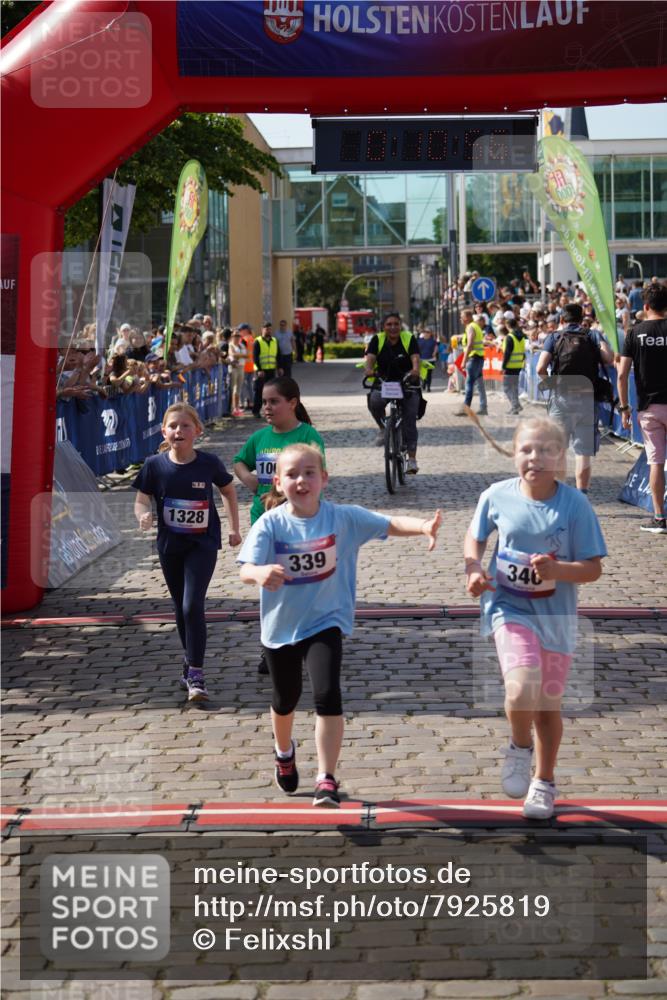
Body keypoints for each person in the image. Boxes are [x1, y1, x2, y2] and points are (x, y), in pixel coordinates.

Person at [238, 443, 442, 807]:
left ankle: (326, 778)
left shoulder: (343, 518)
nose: (301, 481)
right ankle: (284, 752)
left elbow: (388, 524)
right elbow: (245, 569)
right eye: (292, 475)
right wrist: (260, 573)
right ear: (279, 483)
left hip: (326, 622)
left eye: (309, 473)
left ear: (324, 479)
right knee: (285, 699)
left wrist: (424, 526)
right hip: (281, 628)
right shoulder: (271, 523)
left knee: (327, 695)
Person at [464, 416, 606, 819]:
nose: (535, 458)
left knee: (547, 708)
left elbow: (593, 568)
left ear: (561, 457)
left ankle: (544, 782)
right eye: (527, 449)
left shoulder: (575, 505)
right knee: (521, 686)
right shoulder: (496, 495)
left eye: (546, 450)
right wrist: (473, 568)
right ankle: (518, 746)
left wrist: (559, 570)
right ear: (514, 453)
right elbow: (475, 537)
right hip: (508, 608)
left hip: (556, 617)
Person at [133, 402, 241, 701]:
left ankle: (196, 672)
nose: (178, 431)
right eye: (173, 426)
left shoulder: (208, 463)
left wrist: (234, 527)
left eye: (185, 426)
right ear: (163, 431)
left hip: (202, 543)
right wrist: (143, 515)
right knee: (181, 607)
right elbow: (141, 499)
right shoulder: (154, 465)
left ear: (197, 431)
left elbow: (228, 490)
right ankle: (189, 659)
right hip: (170, 545)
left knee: (192, 605)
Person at [233, 377, 326, 675]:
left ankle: (305, 638)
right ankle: (271, 646)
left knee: (299, 583)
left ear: (292, 403)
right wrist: (248, 479)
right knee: (271, 585)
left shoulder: (308, 435)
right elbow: (239, 461)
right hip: (263, 520)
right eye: (264, 402)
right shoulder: (260, 438)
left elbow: (317, 477)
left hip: (298, 523)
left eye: (274, 401)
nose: (267, 407)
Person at [536, 302, 614, 494]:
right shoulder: (592, 335)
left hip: (561, 399)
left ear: (562, 319)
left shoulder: (554, 337)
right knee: (583, 453)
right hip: (586, 399)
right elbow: (609, 357)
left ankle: (555, 495)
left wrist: (552, 384)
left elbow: (540, 368)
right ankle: (582, 495)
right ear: (582, 319)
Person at [617, 281, 667, 534]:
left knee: (656, 463)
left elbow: (621, 374)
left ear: (645, 306)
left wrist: (624, 407)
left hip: (649, 407)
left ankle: (659, 518)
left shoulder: (635, 333)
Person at [364, 312, 421, 474]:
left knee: (410, 419)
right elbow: (370, 359)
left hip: (407, 381)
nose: (393, 327)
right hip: (385, 382)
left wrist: (415, 370)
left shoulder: (409, 338)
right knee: (374, 401)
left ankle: (412, 460)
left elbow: (415, 358)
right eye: (389, 324)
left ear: (400, 325)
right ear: (383, 327)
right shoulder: (377, 339)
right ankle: (383, 428)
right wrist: (368, 369)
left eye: (396, 324)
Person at [456, 308, 488, 416]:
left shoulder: (470, 327)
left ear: (467, 317)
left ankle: (466, 409)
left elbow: (470, 344)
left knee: (469, 384)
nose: (460, 319)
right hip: (479, 358)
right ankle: (483, 407)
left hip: (473, 358)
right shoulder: (475, 326)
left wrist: (463, 361)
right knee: (480, 385)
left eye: (462, 317)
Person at [252, 322, 280, 417]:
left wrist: (279, 367)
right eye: (266, 329)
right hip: (261, 371)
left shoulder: (274, 341)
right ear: (262, 330)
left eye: (270, 329)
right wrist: (259, 369)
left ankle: (270, 411)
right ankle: (256, 411)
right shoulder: (258, 341)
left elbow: (278, 355)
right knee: (259, 391)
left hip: (271, 370)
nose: (268, 331)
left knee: (271, 392)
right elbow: (255, 357)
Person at [502, 318, 526, 415]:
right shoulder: (522, 337)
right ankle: (515, 407)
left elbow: (507, 353)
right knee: (514, 387)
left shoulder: (510, 337)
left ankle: (515, 405)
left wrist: (503, 366)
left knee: (507, 387)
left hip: (510, 366)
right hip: (518, 365)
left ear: (507, 325)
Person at [227, 329, 248, 417]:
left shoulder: (242, 345)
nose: (237, 337)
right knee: (233, 388)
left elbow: (247, 355)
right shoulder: (230, 345)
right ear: (232, 336)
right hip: (234, 368)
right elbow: (233, 354)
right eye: (235, 336)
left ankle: (237, 407)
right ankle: (233, 408)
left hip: (241, 367)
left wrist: (239, 356)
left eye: (238, 336)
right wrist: (241, 356)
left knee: (239, 388)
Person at [417, 328, 438, 392]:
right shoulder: (419, 340)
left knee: (429, 374)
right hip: (422, 359)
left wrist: (434, 353)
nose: (426, 333)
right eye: (425, 332)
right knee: (423, 374)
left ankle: (428, 387)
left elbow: (436, 347)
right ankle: (423, 384)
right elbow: (416, 349)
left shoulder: (433, 341)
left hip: (430, 359)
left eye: (428, 332)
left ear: (430, 333)